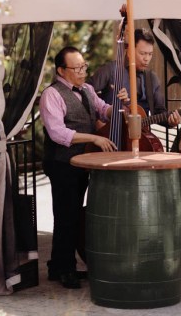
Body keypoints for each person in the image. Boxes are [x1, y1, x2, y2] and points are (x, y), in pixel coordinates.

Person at [40, 46, 116, 289]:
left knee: (72, 214)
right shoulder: (51, 94)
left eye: (84, 67)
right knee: (65, 215)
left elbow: (103, 109)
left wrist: (122, 106)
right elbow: (57, 133)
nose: (83, 72)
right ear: (61, 70)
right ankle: (66, 269)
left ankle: (57, 266)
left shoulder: (87, 89)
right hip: (62, 163)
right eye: (77, 68)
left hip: (82, 161)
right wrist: (93, 138)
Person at [88, 28, 180, 127]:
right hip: (110, 132)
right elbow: (85, 92)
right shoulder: (111, 70)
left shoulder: (152, 79)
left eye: (150, 54)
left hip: (140, 134)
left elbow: (159, 112)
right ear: (129, 52)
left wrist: (171, 122)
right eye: (142, 53)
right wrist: (97, 120)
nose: (147, 59)